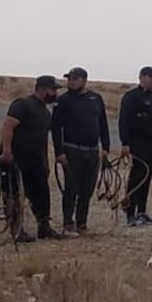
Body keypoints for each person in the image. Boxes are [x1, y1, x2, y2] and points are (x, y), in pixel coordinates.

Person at [0, 75, 64, 241]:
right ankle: (16, 230)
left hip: (35, 161)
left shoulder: (45, 112)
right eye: (52, 90)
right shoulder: (23, 104)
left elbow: (43, 139)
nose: (55, 94)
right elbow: (8, 126)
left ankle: (44, 227)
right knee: (13, 194)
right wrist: (6, 151)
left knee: (41, 194)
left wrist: (45, 163)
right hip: (15, 159)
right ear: (42, 89)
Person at [51, 67, 110, 235]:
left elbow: (103, 123)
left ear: (84, 80)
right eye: (69, 79)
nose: (71, 82)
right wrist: (59, 152)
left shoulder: (96, 98)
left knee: (87, 189)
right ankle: (68, 224)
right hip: (72, 150)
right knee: (71, 188)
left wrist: (106, 147)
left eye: (75, 79)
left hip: (92, 151)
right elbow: (55, 129)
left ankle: (81, 223)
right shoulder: (63, 100)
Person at [118, 66, 152, 227]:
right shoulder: (131, 97)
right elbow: (124, 121)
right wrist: (125, 143)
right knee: (137, 178)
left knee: (147, 178)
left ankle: (142, 212)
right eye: (151, 77)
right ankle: (130, 213)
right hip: (137, 143)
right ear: (142, 77)